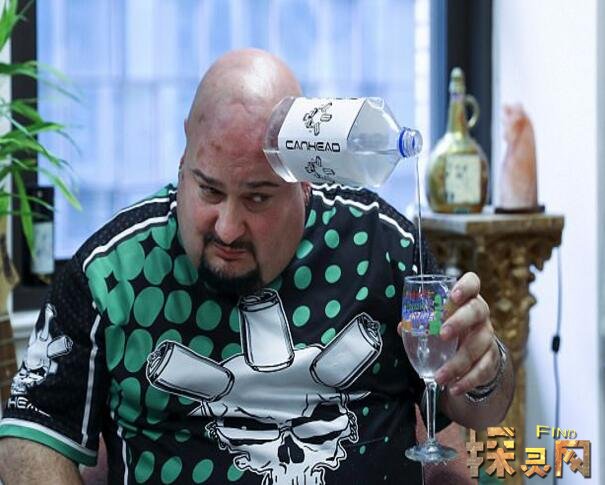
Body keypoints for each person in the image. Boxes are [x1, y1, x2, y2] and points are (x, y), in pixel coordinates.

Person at [0, 48, 513, 484]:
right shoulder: (110, 274)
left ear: (305, 181)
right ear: (184, 155)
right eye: (208, 190)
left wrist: (484, 369)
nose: (227, 228)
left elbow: (478, 406)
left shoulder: (384, 246)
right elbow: (30, 433)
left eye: (258, 197)